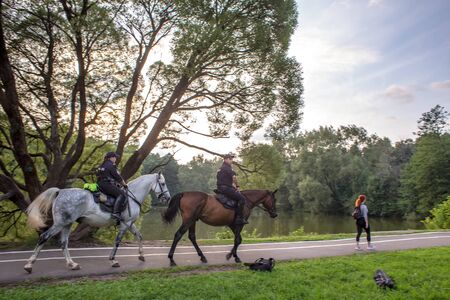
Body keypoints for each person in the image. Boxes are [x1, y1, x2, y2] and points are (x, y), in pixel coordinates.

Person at [216, 152, 248, 225]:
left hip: (221, 187)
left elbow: (225, 180)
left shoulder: (220, 168)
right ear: (226, 159)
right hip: (226, 188)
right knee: (242, 199)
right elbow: (234, 178)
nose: (232, 160)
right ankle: (239, 218)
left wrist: (232, 186)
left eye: (232, 159)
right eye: (230, 159)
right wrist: (237, 186)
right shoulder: (228, 168)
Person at [97, 152, 127, 224]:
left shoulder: (102, 165)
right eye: (115, 157)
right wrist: (124, 185)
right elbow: (117, 177)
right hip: (106, 184)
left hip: (100, 184)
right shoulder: (110, 165)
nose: (115, 159)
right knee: (122, 195)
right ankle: (116, 213)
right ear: (111, 158)